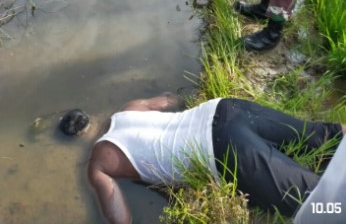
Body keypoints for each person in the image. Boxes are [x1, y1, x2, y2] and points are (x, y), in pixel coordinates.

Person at [59, 94, 346, 224]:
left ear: (77, 139)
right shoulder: (128, 108)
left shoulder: (98, 162)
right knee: (321, 135)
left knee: (319, 204)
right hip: (225, 107)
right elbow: (172, 100)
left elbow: (122, 220)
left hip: (220, 147)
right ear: (90, 116)